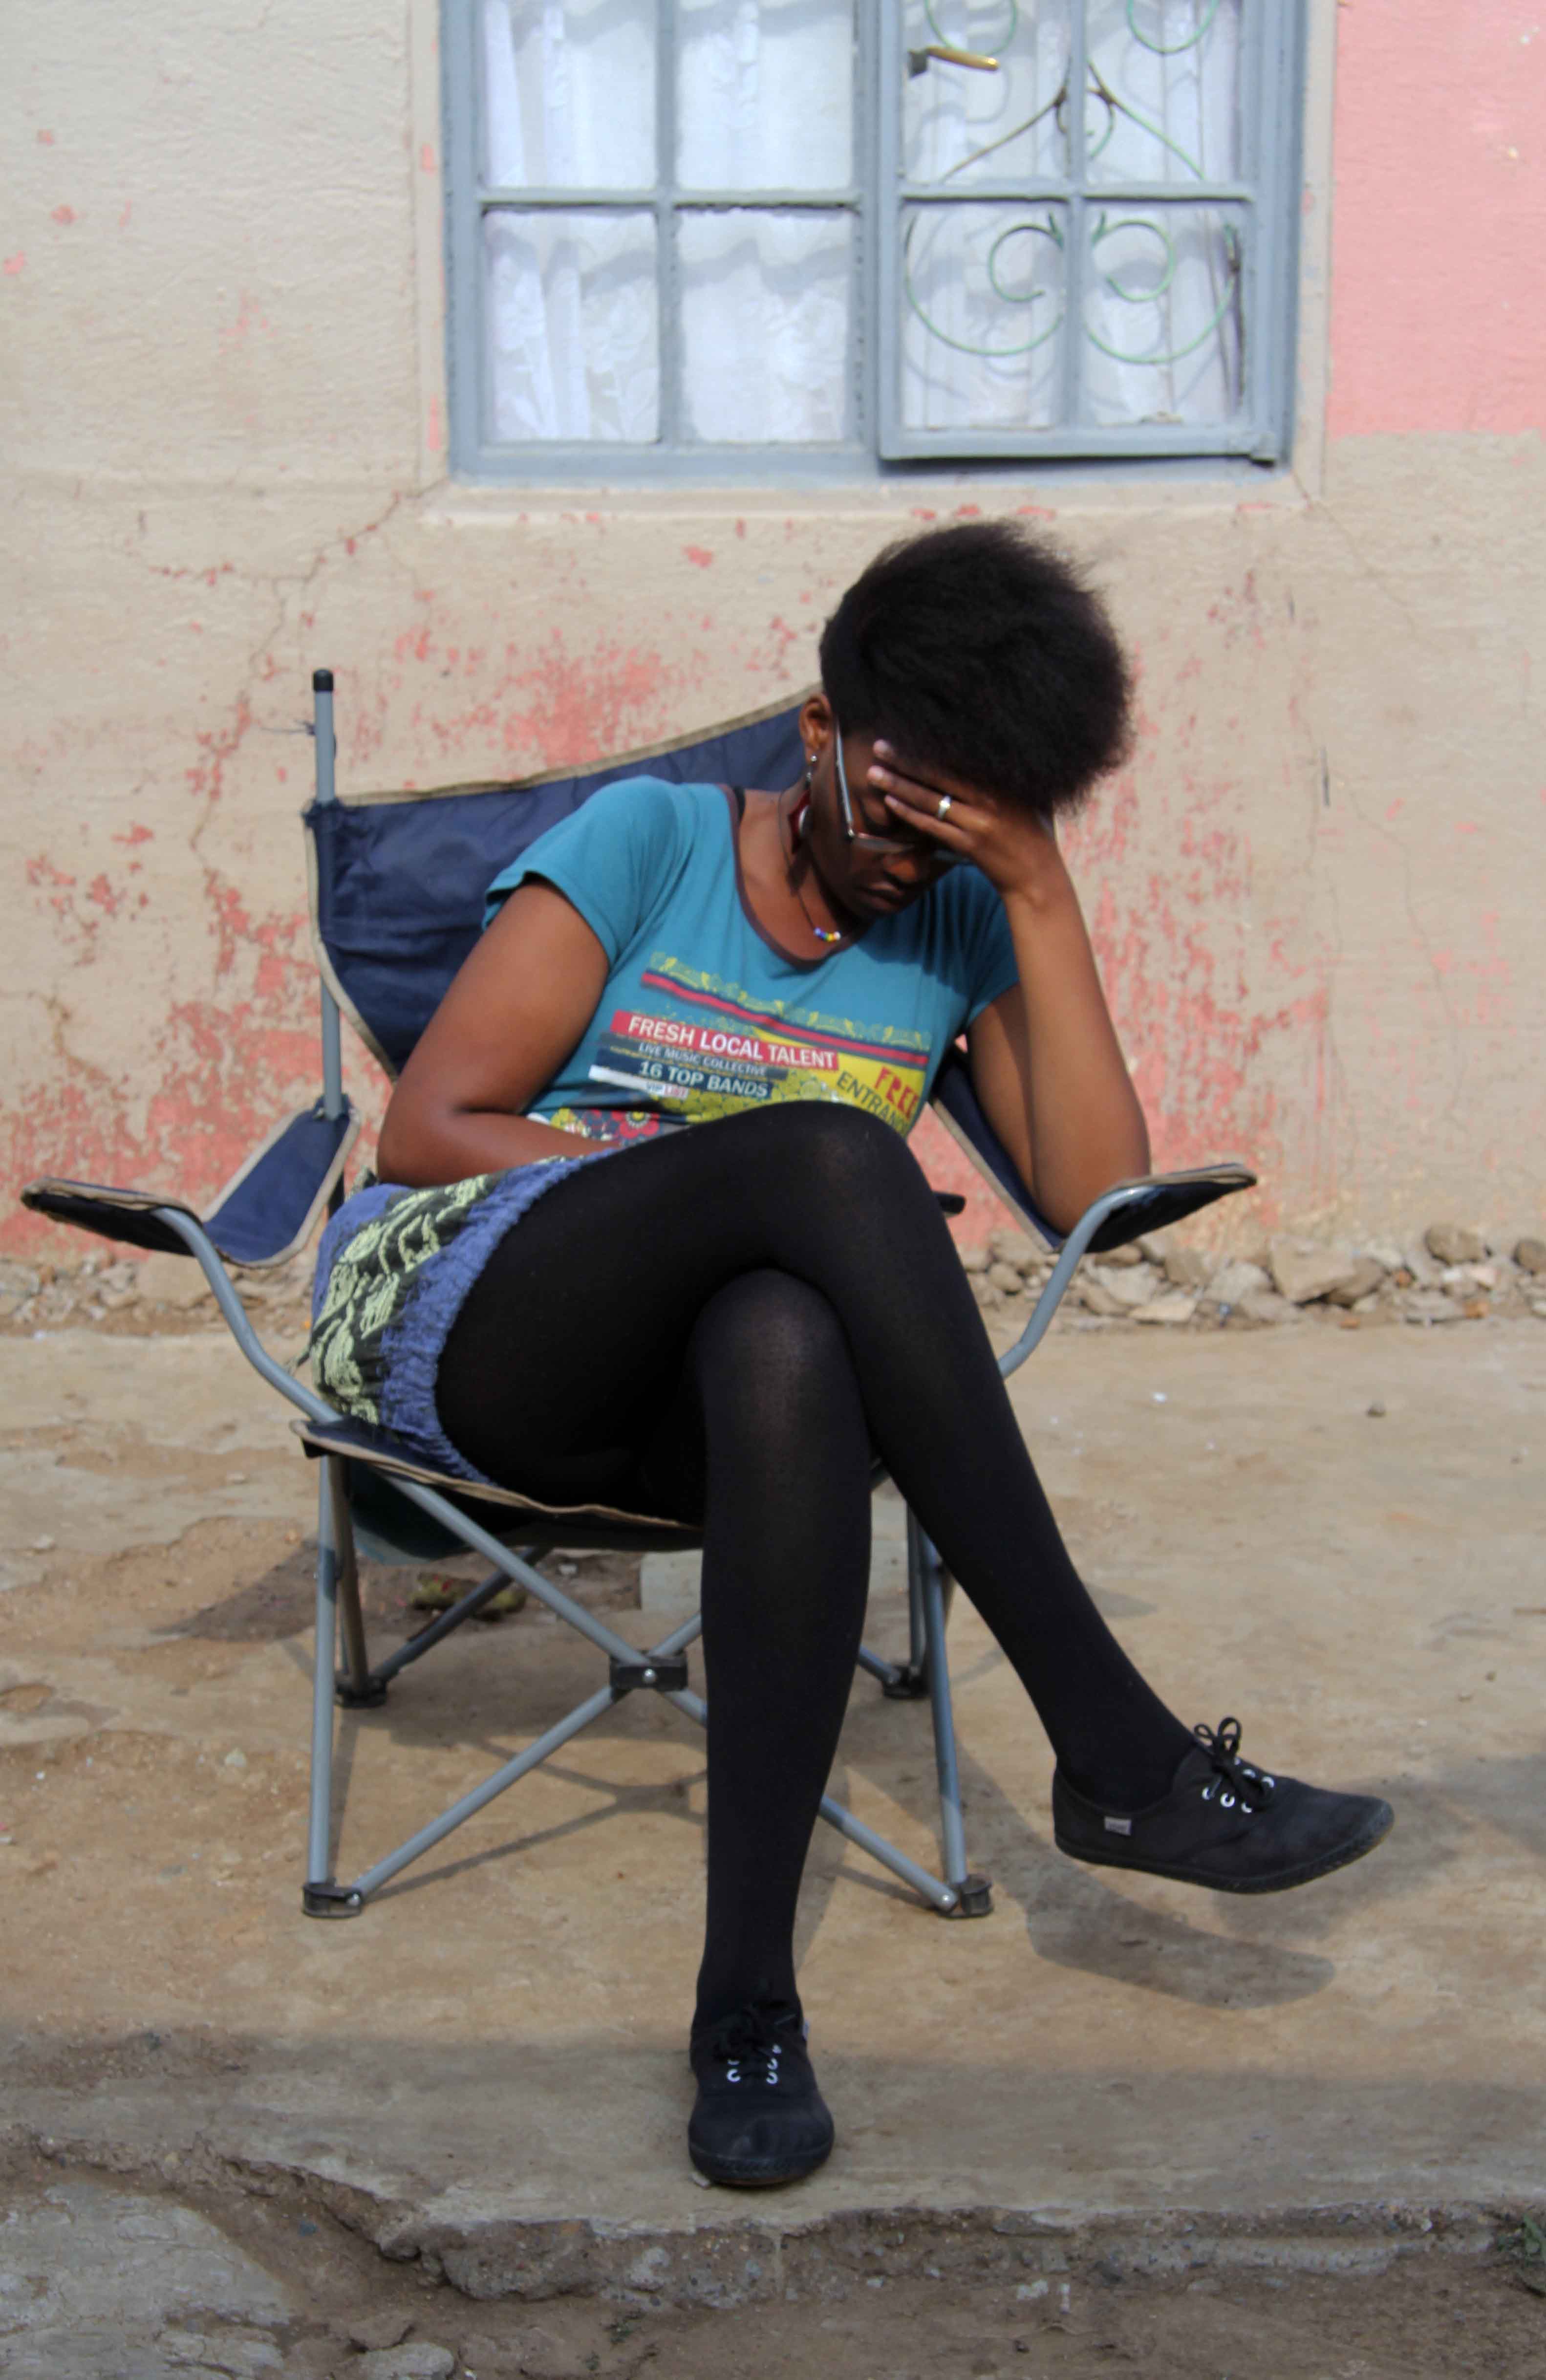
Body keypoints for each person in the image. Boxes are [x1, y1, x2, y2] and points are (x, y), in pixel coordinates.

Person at [310, 522, 1393, 2189]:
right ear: (819, 732)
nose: (909, 865)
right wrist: (706, 1177)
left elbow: (1096, 1196)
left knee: (787, 1336)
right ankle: (1119, 1753)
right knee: (825, 1155)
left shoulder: (961, 923)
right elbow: (429, 1127)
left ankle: (747, 2011)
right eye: (897, 813)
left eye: (964, 830)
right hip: (478, 1321)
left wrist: (1034, 889)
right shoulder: (652, 840)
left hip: (703, 1411)